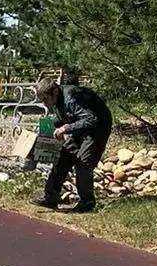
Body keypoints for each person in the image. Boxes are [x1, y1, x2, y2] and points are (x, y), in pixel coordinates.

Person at [34, 73, 113, 213]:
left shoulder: (71, 98)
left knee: (83, 161)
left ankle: (87, 203)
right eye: (42, 100)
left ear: (55, 91)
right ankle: (50, 198)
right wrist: (46, 128)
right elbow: (63, 118)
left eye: (45, 99)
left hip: (97, 128)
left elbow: (91, 119)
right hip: (79, 126)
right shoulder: (57, 101)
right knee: (62, 157)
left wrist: (65, 128)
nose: (44, 104)